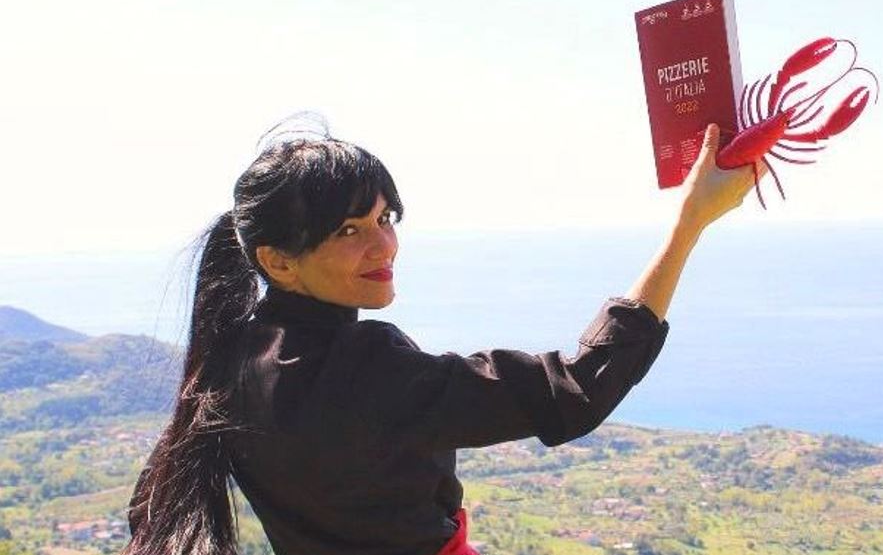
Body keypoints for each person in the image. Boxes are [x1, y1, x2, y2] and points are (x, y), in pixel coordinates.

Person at [122, 114, 764, 555]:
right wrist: (688, 225)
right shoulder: (367, 369)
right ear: (278, 262)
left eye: (385, 217)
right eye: (349, 231)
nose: (384, 245)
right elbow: (574, 390)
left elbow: (152, 500)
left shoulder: (228, 359)